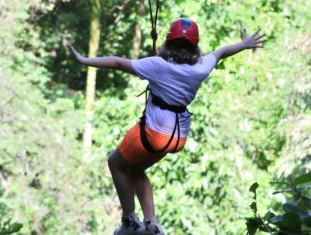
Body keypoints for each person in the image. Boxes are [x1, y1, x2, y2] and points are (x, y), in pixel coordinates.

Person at [68, 19, 266, 235]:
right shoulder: (201, 67)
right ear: (195, 46)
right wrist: (245, 43)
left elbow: (118, 63)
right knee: (135, 169)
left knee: (115, 163)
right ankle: (152, 225)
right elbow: (222, 52)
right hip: (177, 136)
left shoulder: (157, 65)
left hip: (153, 133)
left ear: (168, 42)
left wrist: (84, 60)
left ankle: (129, 223)